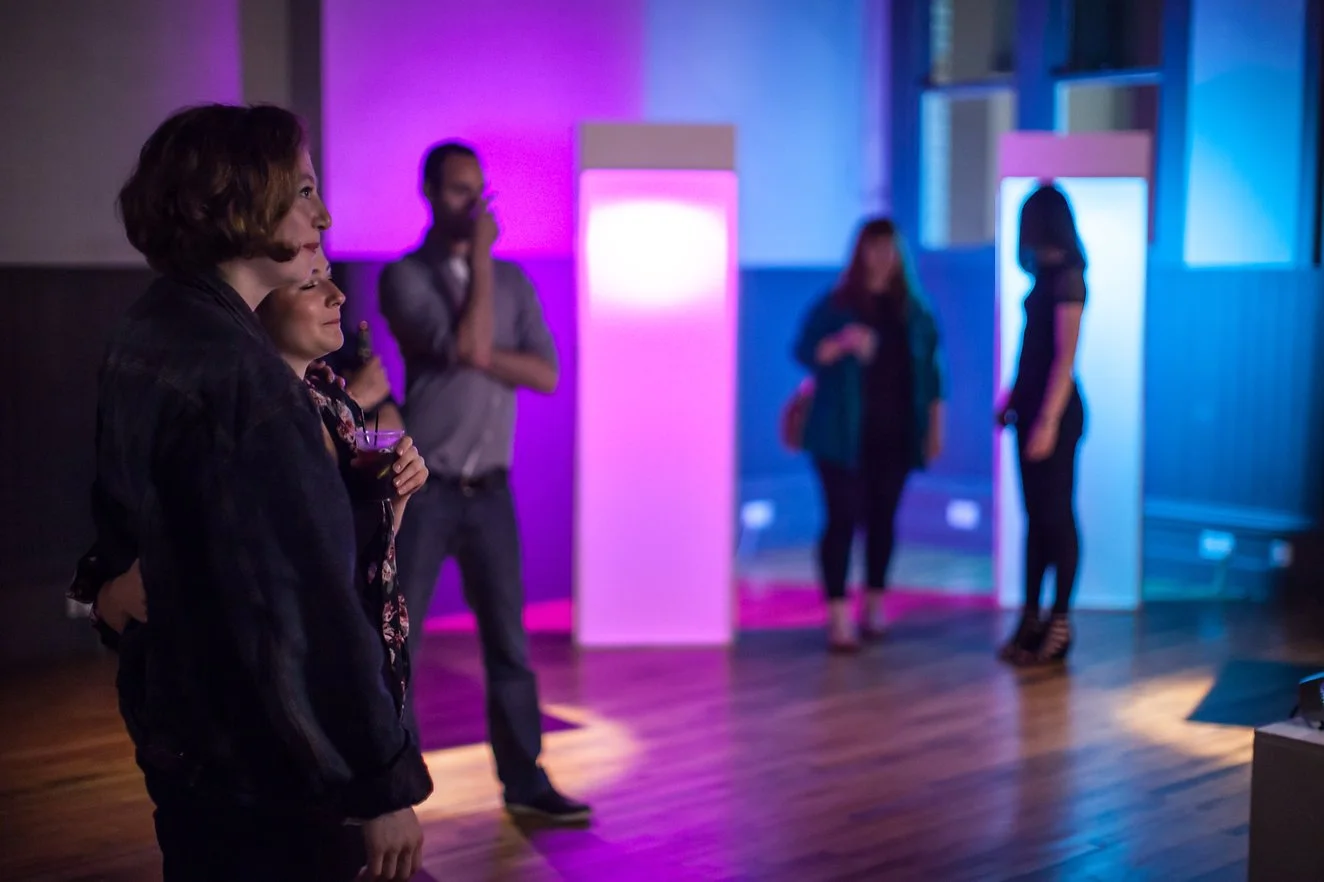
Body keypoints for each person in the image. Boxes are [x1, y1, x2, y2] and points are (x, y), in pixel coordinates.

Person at [66, 104, 431, 882]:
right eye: (302, 190)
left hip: (187, 734)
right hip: (266, 765)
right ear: (238, 203)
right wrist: (379, 784)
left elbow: (357, 446)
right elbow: (307, 613)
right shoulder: (251, 386)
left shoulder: (157, 330)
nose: (323, 216)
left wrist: (393, 458)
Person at [378, 141, 588, 823]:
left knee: (509, 643)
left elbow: (548, 375)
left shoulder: (517, 283)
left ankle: (525, 783)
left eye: (479, 190)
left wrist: (491, 286)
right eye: (457, 191)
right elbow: (467, 349)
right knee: (397, 641)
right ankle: (388, 791)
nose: (473, 205)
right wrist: (484, 266)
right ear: (430, 193)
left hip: (492, 491)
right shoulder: (405, 277)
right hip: (426, 488)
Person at [792, 217, 946, 652]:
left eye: (889, 249)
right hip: (840, 434)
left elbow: (933, 376)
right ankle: (838, 614)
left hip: (894, 433)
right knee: (842, 519)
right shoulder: (837, 304)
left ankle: (874, 605)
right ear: (859, 253)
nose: (881, 258)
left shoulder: (914, 312)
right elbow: (804, 351)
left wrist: (935, 428)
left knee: (883, 520)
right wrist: (842, 342)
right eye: (873, 249)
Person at [995, 183, 1088, 666]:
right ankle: (1032, 616)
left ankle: (1059, 621)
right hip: (1030, 409)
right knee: (1038, 519)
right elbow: (1031, 350)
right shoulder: (1044, 278)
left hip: (1053, 413)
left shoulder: (1069, 279)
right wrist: (1012, 396)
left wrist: (1048, 421)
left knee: (1057, 516)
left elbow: (1063, 360)